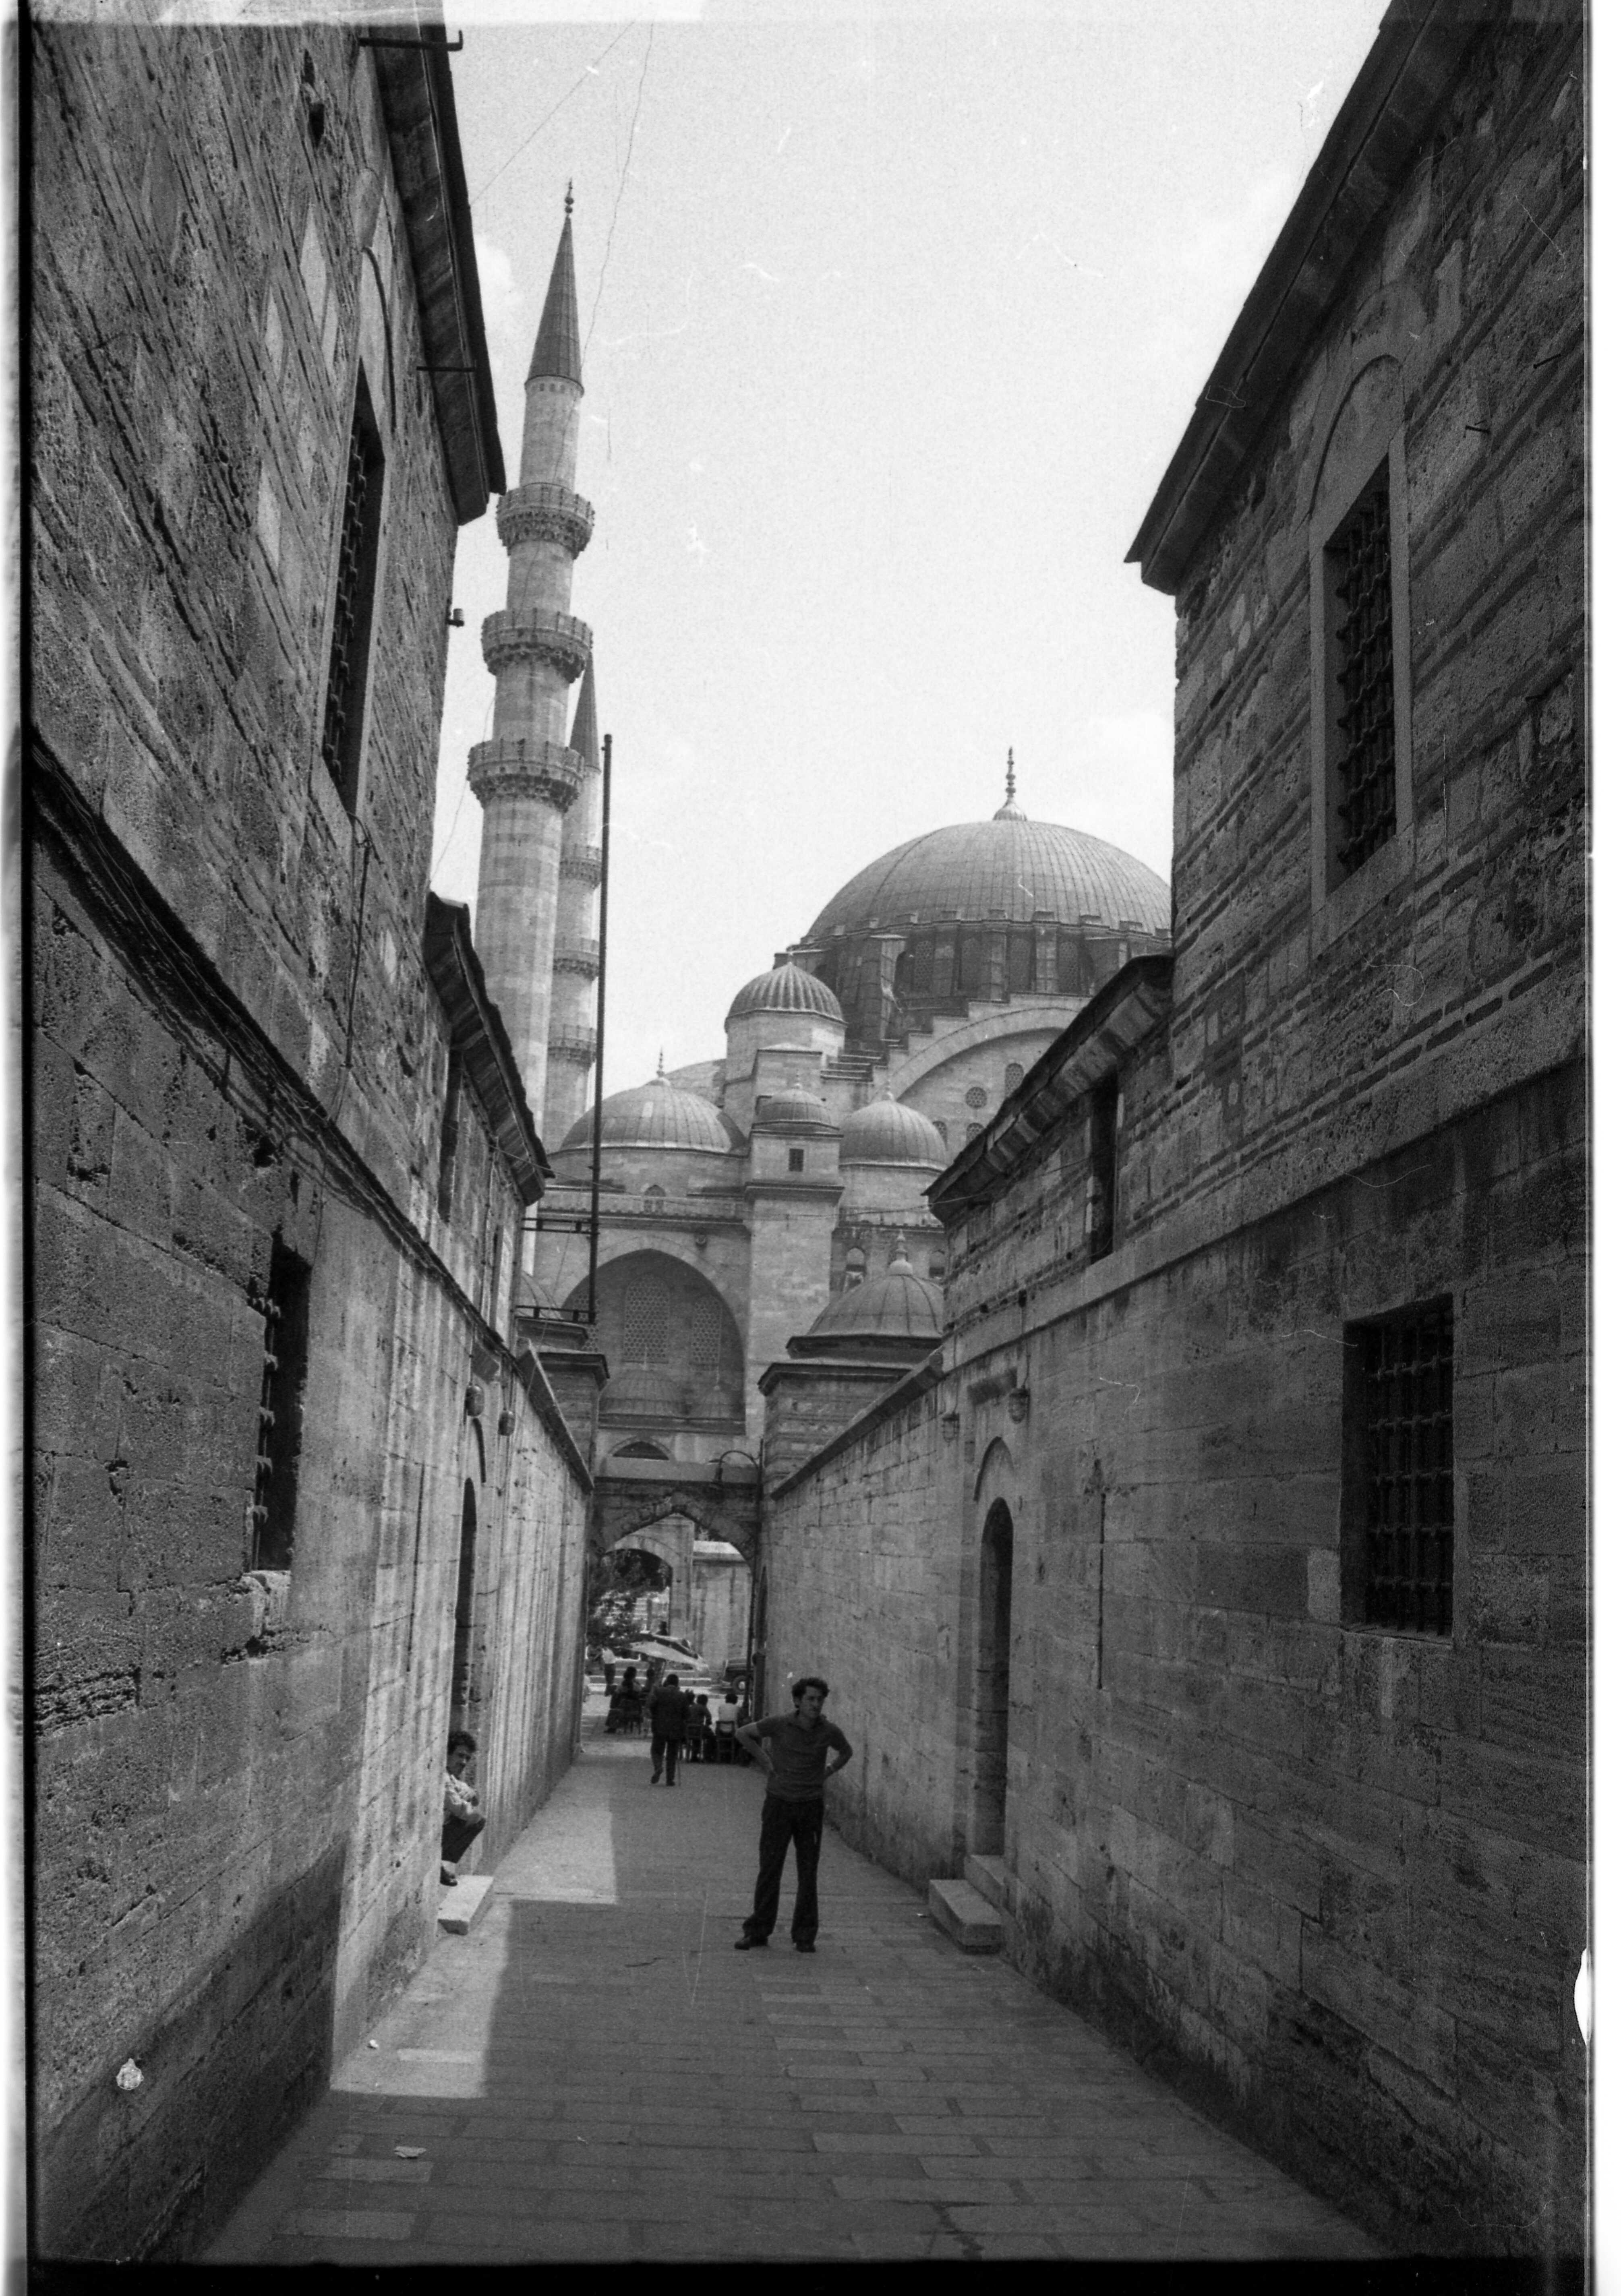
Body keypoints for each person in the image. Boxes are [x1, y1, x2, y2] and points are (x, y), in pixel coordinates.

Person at [733, 1677, 853, 1953]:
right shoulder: (779, 1724)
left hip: (810, 1806)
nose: (816, 1704)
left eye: (820, 1699)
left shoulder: (829, 1731)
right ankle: (758, 1931)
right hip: (779, 1804)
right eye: (810, 1699)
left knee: (808, 1871)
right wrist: (765, 1760)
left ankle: (805, 1935)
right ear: (798, 1701)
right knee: (770, 1867)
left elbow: (846, 1752)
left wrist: (828, 1771)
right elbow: (743, 1733)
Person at [441, 1729, 485, 1886]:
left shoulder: (451, 1776)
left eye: (467, 1758)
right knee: (477, 1819)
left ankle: (441, 1861)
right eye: (460, 1756)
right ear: (447, 1754)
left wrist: (472, 1793)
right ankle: (438, 1861)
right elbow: (459, 1808)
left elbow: (472, 1795)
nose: (464, 1762)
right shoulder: (443, 1777)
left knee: (477, 1819)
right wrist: (474, 1811)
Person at [647, 1670, 690, 1785]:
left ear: (667, 1682)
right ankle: (670, 1779)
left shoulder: (659, 1692)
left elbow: (652, 1707)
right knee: (672, 1755)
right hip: (676, 1729)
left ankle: (658, 1766)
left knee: (656, 1751)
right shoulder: (682, 1696)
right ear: (677, 1684)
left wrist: (656, 1716)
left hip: (660, 1726)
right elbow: (687, 1715)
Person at [714, 1684, 742, 1764]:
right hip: (733, 1732)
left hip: (721, 1731)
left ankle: (722, 1756)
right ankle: (735, 1757)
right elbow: (741, 1719)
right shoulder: (737, 1708)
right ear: (735, 1701)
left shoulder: (721, 1707)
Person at [685, 1693, 710, 1763]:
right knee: (710, 1737)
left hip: (689, 1730)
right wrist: (707, 1725)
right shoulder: (703, 1707)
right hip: (698, 1730)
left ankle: (694, 1756)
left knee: (696, 1738)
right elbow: (709, 1717)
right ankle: (707, 1755)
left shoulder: (692, 1707)